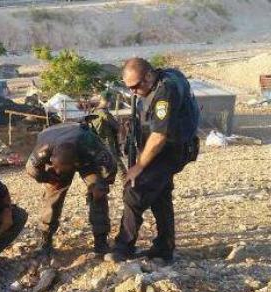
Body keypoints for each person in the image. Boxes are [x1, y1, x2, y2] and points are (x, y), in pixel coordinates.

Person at [105, 57, 200, 264]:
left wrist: (139, 166)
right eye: (129, 87)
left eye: (137, 86)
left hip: (169, 151)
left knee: (134, 190)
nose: (134, 91)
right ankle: (164, 248)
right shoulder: (162, 77)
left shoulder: (165, 91)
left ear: (149, 75)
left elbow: (159, 136)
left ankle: (123, 247)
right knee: (160, 195)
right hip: (170, 149)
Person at [26, 122, 117, 257]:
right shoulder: (44, 146)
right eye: (56, 168)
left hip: (87, 158)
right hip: (56, 142)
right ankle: (45, 240)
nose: (58, 171)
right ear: (51, 158)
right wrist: (48, 178)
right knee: (53, 193)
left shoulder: (91, 143)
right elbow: (31, 170)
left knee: (98, 192)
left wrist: (102, 185)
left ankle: (101, 240)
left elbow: (110, 168)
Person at [91, 90, 127, 177]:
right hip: (107, 142)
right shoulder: (104, 113)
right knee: (116, 160)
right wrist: (123, 125)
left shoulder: (94, 111)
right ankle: (125, 178)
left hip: (97, 142)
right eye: (110, 100)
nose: (111, 102)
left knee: (101, 161)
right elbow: (117, 126)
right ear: (106, 100)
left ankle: (103, 178)